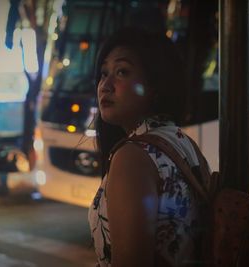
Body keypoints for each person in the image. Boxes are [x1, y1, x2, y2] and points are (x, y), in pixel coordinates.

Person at [88, 27, 208, 267]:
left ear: (154, 86)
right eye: (103, 73)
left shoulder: (132, 157)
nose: (105, 85)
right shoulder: (182, 143)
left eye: (122, 72)